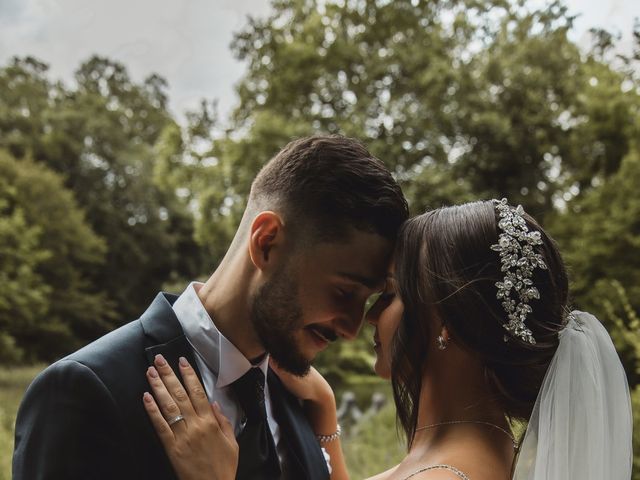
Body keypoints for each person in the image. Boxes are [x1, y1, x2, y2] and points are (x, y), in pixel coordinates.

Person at [144, 199, 633, 479]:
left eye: (393, 295)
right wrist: (327, 420)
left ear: (448, 322)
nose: (369, 317)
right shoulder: (476, 451)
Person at [12, 135, 409, 480]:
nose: (351, 330)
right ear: (267, 242)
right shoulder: (85, 391)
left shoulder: (299, 392)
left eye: (368, 300)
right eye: (343, 292)